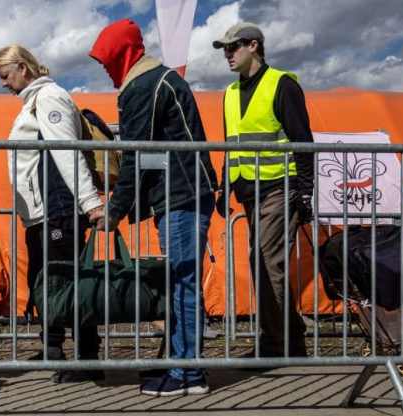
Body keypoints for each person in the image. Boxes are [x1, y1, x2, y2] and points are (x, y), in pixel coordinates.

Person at [90, 19, 218, 396]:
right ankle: (181, 364)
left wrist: (114, 211)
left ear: (122, 54)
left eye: (106, 60)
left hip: (180, 195)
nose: (104, 68)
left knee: (183, 282)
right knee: (181, 282)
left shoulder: (143, 86)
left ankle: (188, 374)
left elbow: (135, 155)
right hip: (186, 192)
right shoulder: (156, 80)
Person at [0, 44, 104, 383]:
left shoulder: (49, 98)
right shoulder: (34, 101)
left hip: (58, 208)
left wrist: (89, 202)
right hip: (43, 212)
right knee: (49, 284)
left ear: (23, 68)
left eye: (6, 76)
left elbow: (67, 153)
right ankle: (55, 348)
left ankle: (87, 359)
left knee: (68, 285)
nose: (3, 83)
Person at [212, 22, 313, 358]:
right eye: (225, 49)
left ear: (253, 46)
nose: (227, 54)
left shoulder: (280, 84)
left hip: (280, 188)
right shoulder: (228, 94)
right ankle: (290, 336)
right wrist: (224, 187)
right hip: (250, 192)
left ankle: (276, 344)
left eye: (233, 47)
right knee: (263, 262)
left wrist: (307, 190)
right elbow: (232, 145)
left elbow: (302, 140)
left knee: (267, 261)